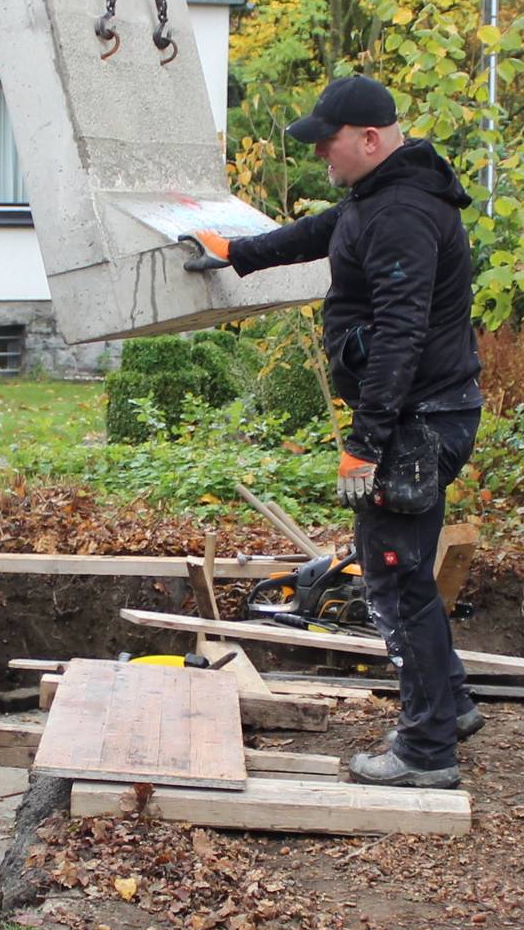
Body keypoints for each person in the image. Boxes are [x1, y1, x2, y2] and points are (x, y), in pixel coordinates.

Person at [184, 74, 484, 788]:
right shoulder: (381, 197)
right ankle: (453, 706)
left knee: (391, 578)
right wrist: (236, 252)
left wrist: (367, 441)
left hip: (413, 424)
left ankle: (424, 753)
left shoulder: (404, 213)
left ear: (371, 139)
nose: (323, 158)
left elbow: (401, 336)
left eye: (329, 145)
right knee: (403, 570)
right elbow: (326, 233)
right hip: (424, 417)